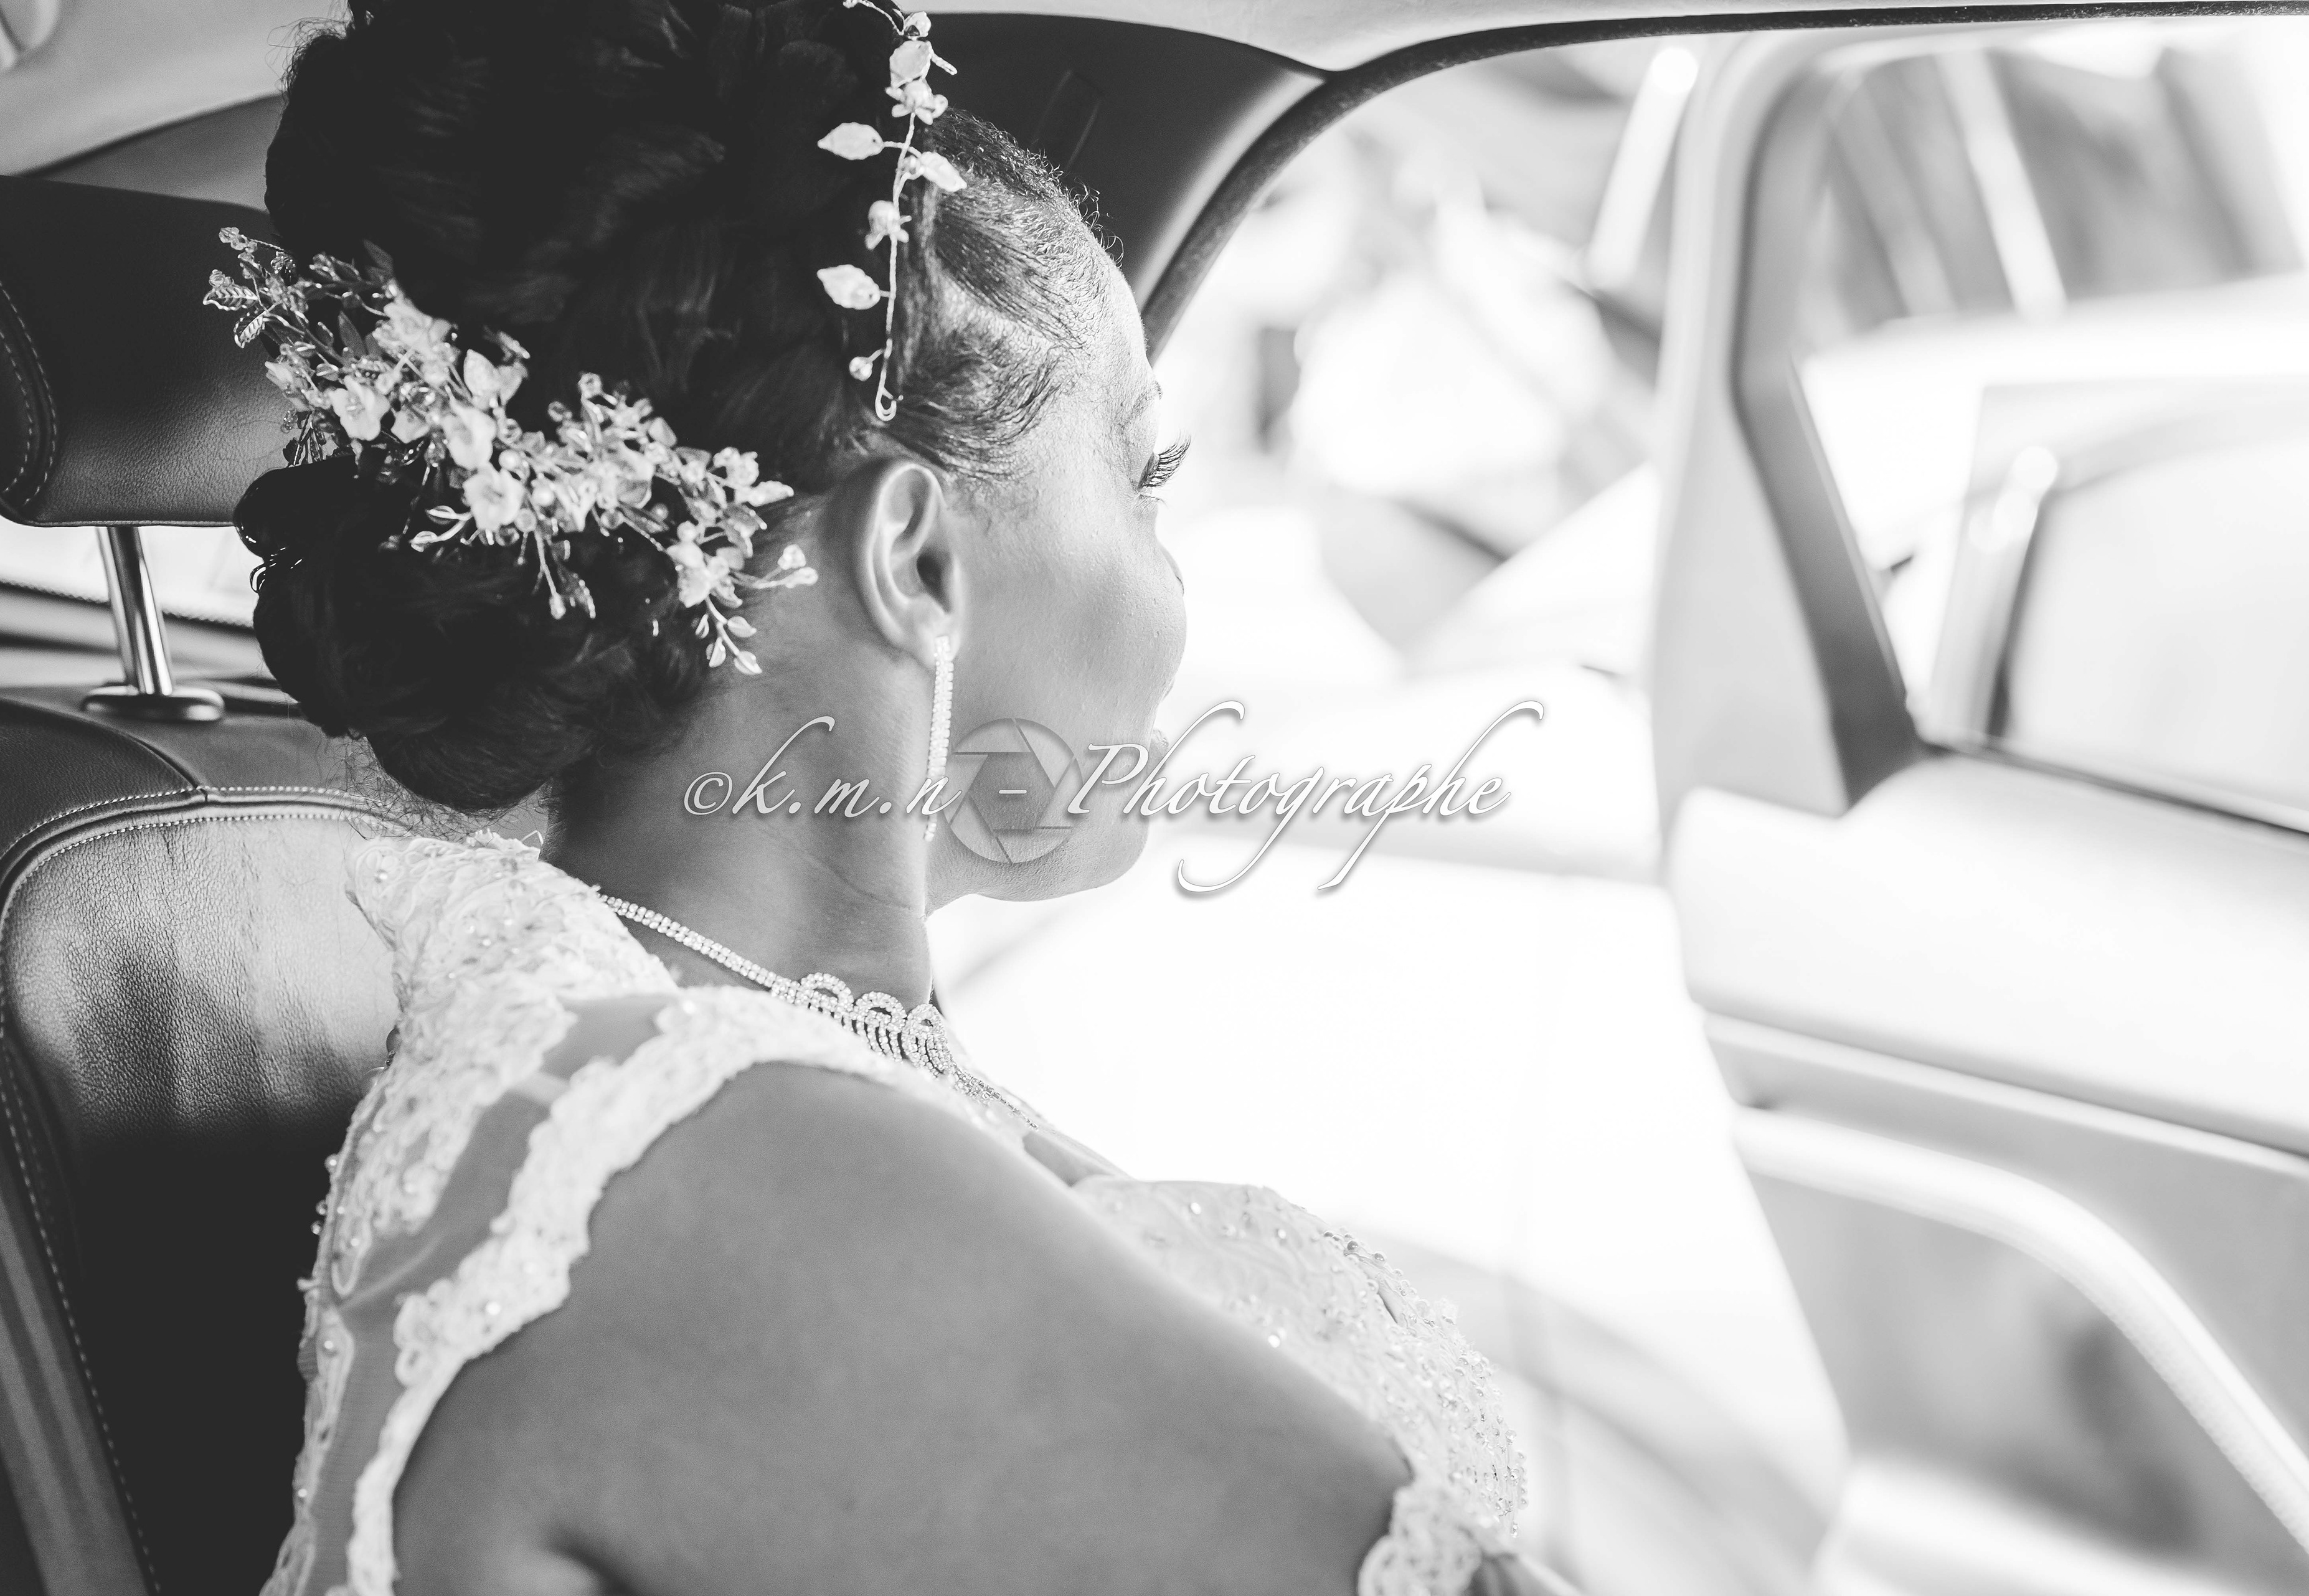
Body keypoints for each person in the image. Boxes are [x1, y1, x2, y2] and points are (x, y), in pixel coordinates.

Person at [232, 1, 1551, 1591]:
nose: (1179, 581)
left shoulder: (733, 1061)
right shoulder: (715, 1157)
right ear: (913, 563)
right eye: (1145, 476)